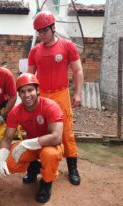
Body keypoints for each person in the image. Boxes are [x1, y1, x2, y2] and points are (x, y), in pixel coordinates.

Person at [27, 11, 84, 185]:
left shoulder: (68, 47)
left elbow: (78, 71)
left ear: (53, 28)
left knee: (66, 131)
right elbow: (30, 77)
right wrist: (29, 98)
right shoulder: (35, 51)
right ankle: (37, 167)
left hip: (61, 94)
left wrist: (78, 93)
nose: (41, 34)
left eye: (44, 30)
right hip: (41, 96)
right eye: (39, 32)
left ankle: (72, 167)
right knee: (40, 131)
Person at [0, 73, 64, 203]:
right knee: (10, 161)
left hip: (50, 145)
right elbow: (7, 138)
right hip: (32, 145)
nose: (27, 95)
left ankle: (46, 183)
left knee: (49, 154)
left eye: (30, 90)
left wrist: (26, 144)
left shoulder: (50, 106)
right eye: (22, 92)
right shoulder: (15, 112)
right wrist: (0, 159)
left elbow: (56, 137)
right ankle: (33, 167)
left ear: (37, 90)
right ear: (19, 94)